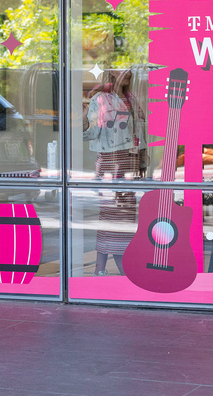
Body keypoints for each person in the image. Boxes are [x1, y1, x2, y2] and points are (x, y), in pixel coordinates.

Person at [83, 69, 147, 275]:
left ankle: (100, 268)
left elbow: (140, 132)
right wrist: (82, 120)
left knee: (124, 217)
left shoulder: (131, 99)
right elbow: (92, 132)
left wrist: (142, 162)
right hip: (111, 162)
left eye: (128, 69)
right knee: (112, 215)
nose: (127, 72)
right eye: (121, 68)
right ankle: (120, 266)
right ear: (111, 72)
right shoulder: (100, 99)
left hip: (129, 163)